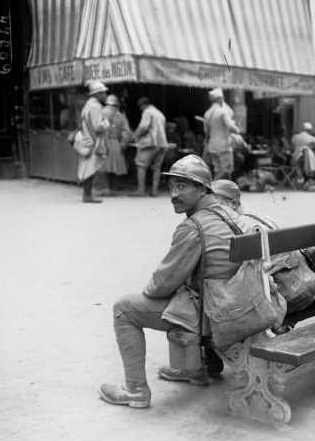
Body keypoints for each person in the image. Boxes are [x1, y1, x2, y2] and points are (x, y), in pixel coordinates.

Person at [99, 155, 249, 408]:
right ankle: (198, 370)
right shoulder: (230, 213)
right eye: (171, 187)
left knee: (124, 309)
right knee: (192, 288)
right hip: (241, 302)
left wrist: (159, 288)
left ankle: (135, 390)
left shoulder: (193, 226)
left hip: (215, 315)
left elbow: (160, 285)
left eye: (182, 186)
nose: (173, 194)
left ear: (203, 189)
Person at [77, 80, 110, 203]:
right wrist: (106, 123)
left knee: (87, 167)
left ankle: (87, 194)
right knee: (91, 168)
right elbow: (98, 127)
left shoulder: (87, 105)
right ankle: (87, 195)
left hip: (87, 141)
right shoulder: (95, 107)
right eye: (103, 93)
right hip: (93, 142)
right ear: (96, 94)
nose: (105, 95)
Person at [130, 97, 168, 197]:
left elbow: (143, 127)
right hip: (162, 143)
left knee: (141, 165)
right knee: (156, 167)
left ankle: (141, 190)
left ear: (143, 105)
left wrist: (136, 135)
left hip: (150, 142)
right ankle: (154, 190)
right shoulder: (160, 113)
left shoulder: (147, 112)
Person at [99, 94, 133, 195]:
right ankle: (113, 189)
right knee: (115, 167)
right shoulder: (121, 116)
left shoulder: (100, 113)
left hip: (102, 142)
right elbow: (126, 132)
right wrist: (123, 143)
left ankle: (104, 189)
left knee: (103, 167)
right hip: (115, 143)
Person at [203, 87, 239, 180]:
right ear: (220, 99)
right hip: (224, 147)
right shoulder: (223, 111)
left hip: (212, 147)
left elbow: (206, 132)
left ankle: (217, 191)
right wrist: (236, 127)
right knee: (226, 170)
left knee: (217, 170)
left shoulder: (207, 114)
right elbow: (231, 127)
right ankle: (221, 190)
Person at [291, 121, 315, 186]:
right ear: (309, 130)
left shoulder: (294, 137)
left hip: (296, 160)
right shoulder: (311, 138)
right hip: (307, 160)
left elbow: (291, 147)